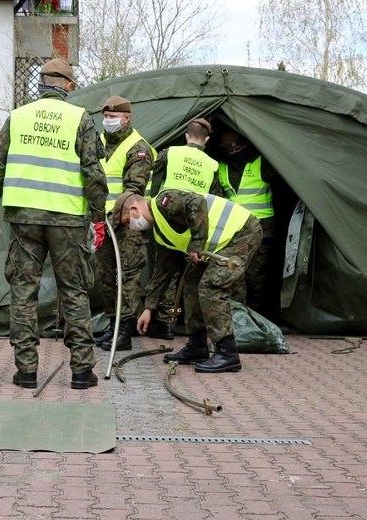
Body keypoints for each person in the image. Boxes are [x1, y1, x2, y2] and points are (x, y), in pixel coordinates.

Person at [0, 58, 108, 390]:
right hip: (66, 220)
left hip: (24, 219)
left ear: (41, 84)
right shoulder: (79, 119)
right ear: (67, 86)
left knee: (23, 293)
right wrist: (98, 218)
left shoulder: (17, 118)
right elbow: (93, 173)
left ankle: (26, 371)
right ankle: (81, 371)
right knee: (74, 292)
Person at [117, 190, 262, 372]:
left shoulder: (164, 202)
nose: (131, 227)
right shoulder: (161, 232)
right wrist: (149, 308)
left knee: (211, 288)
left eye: (127, 221)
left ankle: (227, 353)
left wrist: (196, 245)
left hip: (242, 232)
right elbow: (162, 271)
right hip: (220, 245)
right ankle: (197, 346)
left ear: (134, 208)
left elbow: (197, 202)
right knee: (191, 285)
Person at [91, 95, 156, 352]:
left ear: (126, 118)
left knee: (127, 276)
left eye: (113, 117)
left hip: (129, 221)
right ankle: (112, 325)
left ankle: (125, 330)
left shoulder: (138, 147)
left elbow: (133, 189)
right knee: (105, 276)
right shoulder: (98, 143)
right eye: (105, 117)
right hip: (102, 221)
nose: (108, 121)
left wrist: (114, 216)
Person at [146, 118, 221, 339]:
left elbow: (153, 184)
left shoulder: (169, 153)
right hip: (194, 228)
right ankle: (191, 327)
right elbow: (214, 199)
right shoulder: (212, 164)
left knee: (164, 271)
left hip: (167, 221)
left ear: (186, 136)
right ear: (206, 140)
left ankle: (164, 323)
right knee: (191, 276)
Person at [217, 130, 277, 314]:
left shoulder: (262, 162)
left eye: (237, 145)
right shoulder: (221, 167)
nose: (234, 149)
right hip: (234, 231)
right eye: (229, 147)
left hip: (261, 228)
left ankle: (255, 315)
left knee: (255, 276)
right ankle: (240, 316)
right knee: (236, 274)